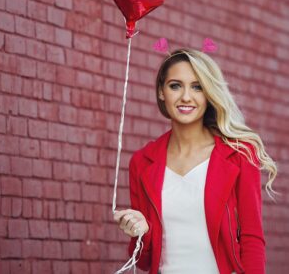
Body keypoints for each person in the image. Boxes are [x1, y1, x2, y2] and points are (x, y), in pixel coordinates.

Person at [113, 49, 278, 274]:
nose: (186, 97)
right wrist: (140, 231)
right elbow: (143, 261)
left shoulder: (239, 154)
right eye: (175, 86)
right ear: (161, 92)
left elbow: (252, 239)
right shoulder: (142, 162)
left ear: (208, 93)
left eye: (197, 86)